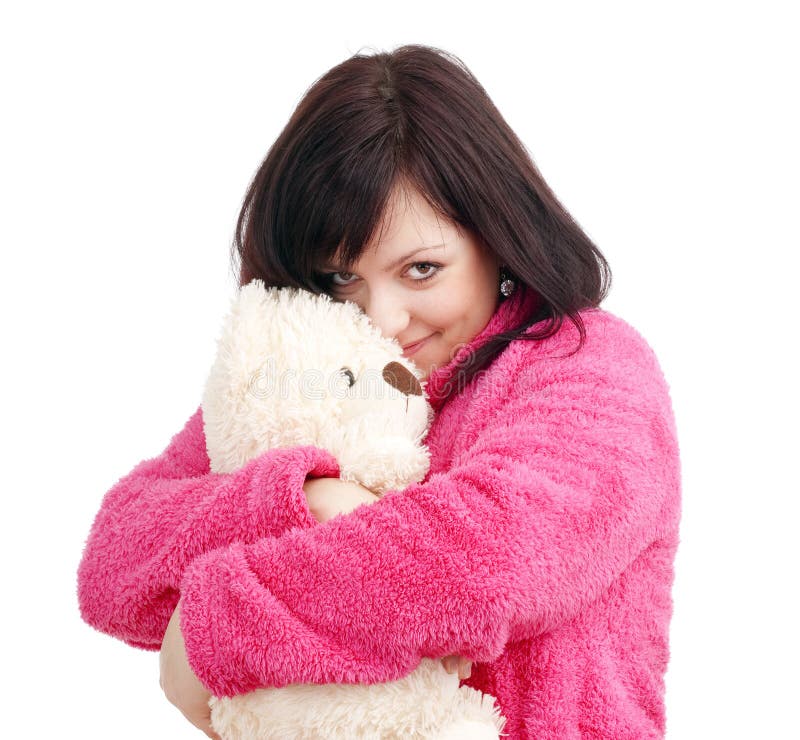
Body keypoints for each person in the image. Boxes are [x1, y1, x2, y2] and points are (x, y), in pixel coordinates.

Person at [77, 44, 681, 739]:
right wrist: (306, 496)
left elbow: (487, 567)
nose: (383, 321)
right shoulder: (306, 368)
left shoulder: (590, 365)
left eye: (422, 269)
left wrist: (208, 625)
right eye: (340, 280)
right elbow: (114, 561)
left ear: (497, 235)